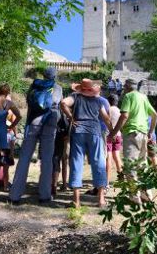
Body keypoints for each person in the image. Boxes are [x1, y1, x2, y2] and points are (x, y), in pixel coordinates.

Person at [9, 67, 62, 204]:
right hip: (49, 124)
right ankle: (44, 195)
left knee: (24, 158)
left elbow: (30, 103)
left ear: (43, 75)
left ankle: (14, 195)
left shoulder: (35, 85)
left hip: (33, 122)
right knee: (47, 160)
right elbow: (56, 104)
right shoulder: (57, 88)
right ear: (55, 76)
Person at [61, 78, 112, 208]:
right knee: (98, 162)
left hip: (78, 131)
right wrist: (112, 131)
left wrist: (70, 117)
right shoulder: (98, 100)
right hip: (95, 132)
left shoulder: (75, 97)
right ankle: (101, 200)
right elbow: (106, 118)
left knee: (77, 163)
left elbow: (63, 103)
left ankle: (76, 201)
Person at [109, 78, 157, 204]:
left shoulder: (128, 97)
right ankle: (146, 195)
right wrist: (150, 132)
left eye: (125, 86)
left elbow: (124, 116)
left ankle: (134, 198)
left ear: (128, 87)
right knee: (142, 165)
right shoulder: (143, 97)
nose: (123, 88)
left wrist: (113, 133)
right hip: (143, 134)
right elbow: (155, 115)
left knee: (131, 165)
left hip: (131, 134)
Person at [105, 94, 123, 186]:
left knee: (108, 158)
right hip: (118, 135)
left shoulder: (107, 110)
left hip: (108, 135)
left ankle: (106, 182)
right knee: (117, 156)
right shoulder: (120, 111)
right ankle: (121, 178)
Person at [52, 113, 70, 196]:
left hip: (60, 140)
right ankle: (63, 184)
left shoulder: (59, 113)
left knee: (58, 162)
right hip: (64, 140)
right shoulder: (66, 113)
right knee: (63, 163)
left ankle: (56, 185)